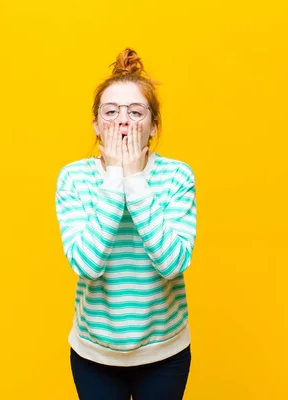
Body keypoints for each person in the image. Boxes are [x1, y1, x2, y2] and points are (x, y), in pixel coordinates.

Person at [54, 48, 197, 400]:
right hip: (94, 355)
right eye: (110, 112)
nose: (122, 121)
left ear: (153, 126)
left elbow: (172, 264)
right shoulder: (74, 179)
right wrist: (114, 178)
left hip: (165, 354)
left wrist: (135, 181)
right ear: (96, 125)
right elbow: (86, 266)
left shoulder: (177, 176)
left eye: (136, 112)